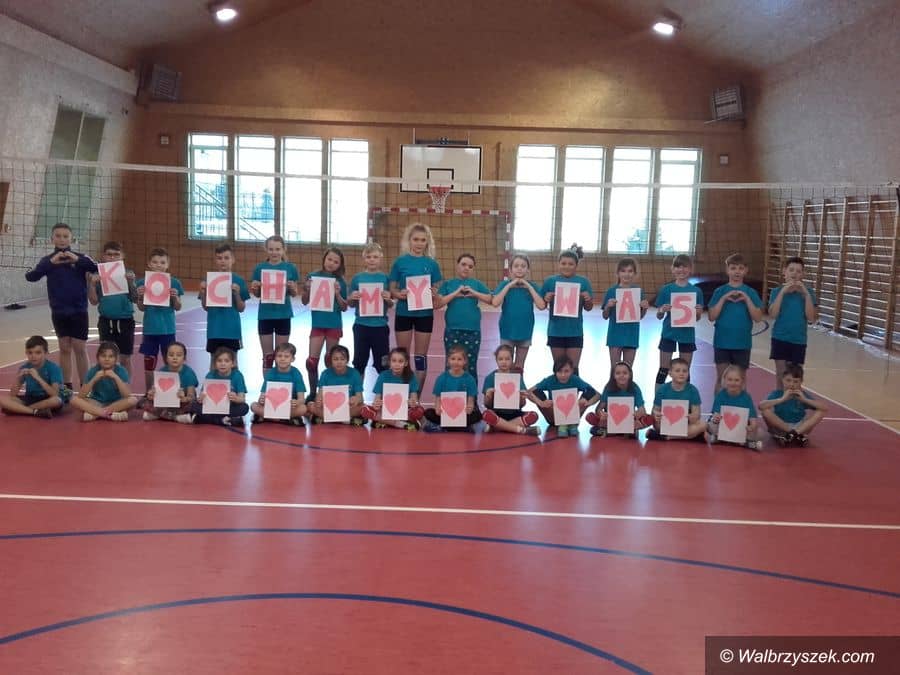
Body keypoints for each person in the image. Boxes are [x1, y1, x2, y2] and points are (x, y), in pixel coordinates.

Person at [24, 222, 98, 390]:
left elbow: (97, 268)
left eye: (65, 236)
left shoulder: (81, 258)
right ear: (52, 239)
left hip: (79, 310)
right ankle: (66, 387)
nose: (62, 239)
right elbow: (32, 277)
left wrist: (77, 260)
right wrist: (51, 262)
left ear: (72, 239)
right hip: (59, 311)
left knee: (80, 348)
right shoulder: (48, 261)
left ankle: (86, 386)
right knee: (64, 348)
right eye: (58, 236)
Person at [389, 223, 442, 395]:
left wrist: (434, 291)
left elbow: (437, 286)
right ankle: (402, 396)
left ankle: (415, 398)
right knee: (402, 356)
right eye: (416, 239)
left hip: (424, 314)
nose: (419, 243)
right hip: (404, 313)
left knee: (420, 357)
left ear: (427, 242)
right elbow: (392, 288)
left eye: (423, 240)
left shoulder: (432, 264)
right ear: (409, 240)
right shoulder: (400, 262)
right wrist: (399, 294)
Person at [708, 253, 764, 394]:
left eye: (740, 268)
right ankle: (717, 408)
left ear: (746, 270)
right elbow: (711, 316)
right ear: (727, 270)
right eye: (733, 268)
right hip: (722, 342)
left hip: (742, 343)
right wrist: (724, 298)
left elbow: (758, 318)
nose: (737, 272)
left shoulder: (750, 292)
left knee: (740, 380)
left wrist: (746, 299)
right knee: (722, 379)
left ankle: (740, 408)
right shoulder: (720, 291)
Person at [435, 253, 492, 379]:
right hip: (452, 330)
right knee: (451, 364)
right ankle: (450, 390)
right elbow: (438, 304)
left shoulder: (476, 284)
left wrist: (474, 293)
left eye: (470, 266)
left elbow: (490, 299)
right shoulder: (448, 284)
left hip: (473, 331)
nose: (466, 268)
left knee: (470, 364)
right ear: (457, 265)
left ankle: (470, 391)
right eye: (463, 264)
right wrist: (455, 293)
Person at [135, 248, 184, 392]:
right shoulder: (142, 283)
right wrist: (140, 296)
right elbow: (142, 308)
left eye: (162, 262)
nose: (159, 265)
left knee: (171, 363)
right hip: (150, 330)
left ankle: (171, 393)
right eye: (155, 262)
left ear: (167, 264)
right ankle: (148, 393)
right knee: (149, 365)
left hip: (168, 330)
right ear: (149, 264)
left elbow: (178, 307)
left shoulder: (174, 283)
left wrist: (175, 297)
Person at [301, 247, 348, 398]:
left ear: (340, 265)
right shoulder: (313, 277)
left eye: (336, 262)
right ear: (324, 259)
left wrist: (337, 294)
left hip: (334, 325)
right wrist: (308, 289)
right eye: (329, 259)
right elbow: (304, 301)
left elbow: (344, 307)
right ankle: (313, 393)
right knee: (311, 362)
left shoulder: (340, 281)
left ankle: (329, 393)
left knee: (331, 361)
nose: (331, 263)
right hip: (318, 324)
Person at [249, 235, 300, 375]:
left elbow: (294, 293)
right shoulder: (259, 268)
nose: (274, 252)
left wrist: (292, 287)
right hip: (265, 315)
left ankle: (280, 384)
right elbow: (257, 294)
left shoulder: (290, 268)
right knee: (268, 357)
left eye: (278, 249)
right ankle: (267, 385)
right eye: (271, 249)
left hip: (283, 315)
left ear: (283, 250)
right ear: (266, 250)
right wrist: (255, 288)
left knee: (281, 355)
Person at [87, 241, 137, 379]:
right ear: (103, 256)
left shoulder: (128, 274)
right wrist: (92, 284)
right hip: (106, 321)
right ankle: (106, 385)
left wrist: (131, 282)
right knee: (106, 358)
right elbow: (93, 301)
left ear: (122, 256)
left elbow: (134, 298)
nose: (113, 257)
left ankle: (125, 386)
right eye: (109, 254)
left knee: (125, 358)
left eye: (116, 254)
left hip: (125, 321)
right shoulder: (97, 276)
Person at [654, 254, 704, 391]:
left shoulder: (696, 291)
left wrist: (698, 313)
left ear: (690, 269)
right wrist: (661, 310)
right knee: (663, 369)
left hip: (687, 335)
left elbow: (696, 318)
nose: (681, 270)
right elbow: (659, 316)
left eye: (685, 267)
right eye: (677, 267)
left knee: (685, 371)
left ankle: (685, 399)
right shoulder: (666, 289)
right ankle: (657, 399)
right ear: (672, 269)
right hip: (669, 333)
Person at [541, 246, 593, 373]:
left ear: (576, 265)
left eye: (571, 264)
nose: (567, 266)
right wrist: (546, 299)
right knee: (559, 368)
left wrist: (587, 299)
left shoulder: (583, 282)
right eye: (563, 263)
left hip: (575, 332)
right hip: (555, 331)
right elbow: (541, 305)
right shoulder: (550, 281)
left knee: (573, 369)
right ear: (558, 264)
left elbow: (588, 308)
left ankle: (574, 386)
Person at [198, 243, 250, 371]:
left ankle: (235, 384)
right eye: (219, 258)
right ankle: (213, 384)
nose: (223, 261)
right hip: (214, 330)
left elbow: (241, 308)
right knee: (214, 364)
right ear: (215, 260)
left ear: (233, 260)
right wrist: (203, 293)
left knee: (233, 364)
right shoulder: (208, 279)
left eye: (226, 258)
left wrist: (237, 294)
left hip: (232, 331)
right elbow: (206, 307)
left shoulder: (238, 280)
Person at [491, 254, 546, 373]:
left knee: (519, 367)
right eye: (516, 266)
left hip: (525, 331)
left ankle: (519, 384)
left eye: (523, 266)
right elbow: (495, 302)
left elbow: (541, 306)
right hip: (507, 331)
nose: (519, 268)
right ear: (510, 270)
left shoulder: (533, 286)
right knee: (506, 366)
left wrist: (528, 286)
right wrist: (510, 285)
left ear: (528, 270)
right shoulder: (504, 285)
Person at [768, 257, 817, 388]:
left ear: (803, 274)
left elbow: (811, 318)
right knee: (781, 374)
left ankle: (794, 400)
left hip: (798, 340)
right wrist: (783, 292)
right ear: (784, 271)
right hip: (780, 338)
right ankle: (780, 398)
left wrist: (806, 294)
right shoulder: (776, 291)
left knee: (796, 376)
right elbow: (773, 314)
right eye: (791, 270)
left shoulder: (809, 293)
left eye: (798, 271)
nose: (794, 273)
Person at [526, 355, 600, 438]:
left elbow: (597, 394)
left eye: (566, 371)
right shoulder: (550, 380)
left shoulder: (575, 379)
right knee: (537, 393)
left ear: (572, 371)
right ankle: (564, 424)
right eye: (559, 371)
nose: (563, 375)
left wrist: (587, 403)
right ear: (555, 372)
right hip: (553, 417)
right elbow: (528, 392)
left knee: (589, 392)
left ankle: (572, 424)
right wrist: (541, 403)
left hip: (572, 416)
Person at [348, 242, 393, 377]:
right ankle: (358, 390)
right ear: (364, 259)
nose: (372, 260)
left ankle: (383, 389)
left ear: (381, 258)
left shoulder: (386, 279)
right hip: (361, 326)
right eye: (368, 257)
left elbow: (391, 304)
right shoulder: (357, 278)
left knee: (383, 364)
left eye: (375, 257)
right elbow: (350, 304)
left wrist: (388, 299)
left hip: (380, 327)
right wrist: (353, 297)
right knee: (359, 363)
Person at [758, 363, 827, 447]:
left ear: (801, 382)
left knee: (820, 411)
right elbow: (761, 406)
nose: (791, 384)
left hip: (800, 427)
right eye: (788, 380)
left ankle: (794, 434)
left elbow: (824, 408)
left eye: (795, 381)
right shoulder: (777, 393)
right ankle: (792, 434)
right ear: (782, 380)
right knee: (765, 411)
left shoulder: (802, 395)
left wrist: (804, 400)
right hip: (781, 426)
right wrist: (782, 399)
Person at [68, 342, 136, 422]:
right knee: (74, 400)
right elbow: (81, 396)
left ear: (115, 359)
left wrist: (116, 377)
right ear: (98, 358)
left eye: (111, 356)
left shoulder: (121, 371)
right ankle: (109, 414)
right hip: (97, 403)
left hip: (116, 403)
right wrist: (94, 379)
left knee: (133, 400)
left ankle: (95, 414)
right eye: (103, 356)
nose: (107, 359)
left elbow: (127, 395)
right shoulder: (93, 371)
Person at [601, 257, 649, 370]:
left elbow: (640, 316)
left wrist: (645, 308)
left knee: (628, 370)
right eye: (623, 271)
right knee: (615, 369)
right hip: (615, 336)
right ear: (618, 273)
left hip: (632, 335)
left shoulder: (638, 291)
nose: (626, 274)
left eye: (630, 271)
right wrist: (608, 306)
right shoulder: (611, 291)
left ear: (635, 273)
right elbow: (605, 316)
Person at [361, 347, 425, 430]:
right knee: (365, 410)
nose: (396, 364)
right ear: (389, 362)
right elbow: (377, 398)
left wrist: (413, 403)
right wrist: (376, 404)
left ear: (406, 363)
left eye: (400, 361)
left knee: (419, 411)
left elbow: (415, 399)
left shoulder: (411, 376)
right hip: (385, 410)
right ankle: (401, 424)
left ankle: (385, 421)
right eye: (394, 361)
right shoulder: (383, 375)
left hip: (404, 410)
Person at [0, 335, 64, 418]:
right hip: (30, 398)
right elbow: (13, 394)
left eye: (38, 353)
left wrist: (38, 378)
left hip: (47, 399)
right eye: (30, 353)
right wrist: (18, 378)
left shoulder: (53, 368)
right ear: (26, 353)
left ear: (46, 353)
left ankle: (20, 410)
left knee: (57, 401)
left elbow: (55, 394)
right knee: (2, 399)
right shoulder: (24, 367)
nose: (33, 356)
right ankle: (34, 412)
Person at [481, 345, 540, 435]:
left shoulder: (517, 378)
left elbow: (522, 404)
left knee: (534, 415)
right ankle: (521, 430)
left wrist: (522, 398)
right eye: (500, 359)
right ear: (496, 360)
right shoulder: (490, 378)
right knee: (486, 414)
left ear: (512, 360)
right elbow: (486, 404)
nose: (504, 362)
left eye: (507, 359)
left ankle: (498, 427)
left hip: (514, 413)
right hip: (497, 413)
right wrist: (489, 396)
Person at [422, 344, 482, 432]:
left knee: (477, 415)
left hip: (462, 413)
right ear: (448, 360)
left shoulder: (470, 379)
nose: (456, 362)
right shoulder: (442, 378)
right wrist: (438, 408)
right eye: (453, 359)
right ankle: (460, 427)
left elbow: (471, 400)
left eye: (459, 359)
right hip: (445, 413)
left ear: (465, 361)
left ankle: (446, 427)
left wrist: (469, 408)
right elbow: (438, 398)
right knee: (428, 413)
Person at [585, 361, 653, 438]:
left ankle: (608, 432)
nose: (621, 376)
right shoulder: (608, 388)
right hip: (610, 421)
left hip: (629, 421)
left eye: (625, 373)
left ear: (630, 375)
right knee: (589, 416)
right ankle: (625, 432)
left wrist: (638, 414)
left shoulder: (635, 388)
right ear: (613, 376)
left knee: (650, 419)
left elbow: (642, 410)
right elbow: (598, 409)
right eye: (618, 373)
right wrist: (601, 414)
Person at [648, 357, 706, 441]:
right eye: (677, 371)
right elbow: (655, 410)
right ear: (670, 373)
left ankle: (667, 437)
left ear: (688, 373)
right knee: (655, 423)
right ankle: (690, 436)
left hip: (686, 423)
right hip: (666, 423)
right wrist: (656, 414)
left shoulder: (693, 390)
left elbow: (697, 414)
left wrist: (692, 417)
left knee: (703, 425)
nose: (681, 373)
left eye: (685, 371)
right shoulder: (662, 389)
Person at [707, 365, 763, 451]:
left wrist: (752, 426)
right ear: (724, 380)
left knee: (760, 433)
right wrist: (716, 418)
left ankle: (722, 439)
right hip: (724, 427)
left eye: (736, 380)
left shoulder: (746, 397)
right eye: (730, 379)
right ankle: (745, 443)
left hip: (741, 429)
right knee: (710, 426)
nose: (733, 383)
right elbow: (716, 414)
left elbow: (752, 418)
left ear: (742, 381)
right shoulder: (720, 395)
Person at [251, 342, 308, 426]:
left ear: (292, 359)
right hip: (272, 406)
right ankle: (285, 419)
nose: (282, 359)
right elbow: (262, 396)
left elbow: (302, 399)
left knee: (303, 408)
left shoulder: (296, 373)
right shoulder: (271, 373)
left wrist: (296, 402)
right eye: (279, 356)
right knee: (253, 405)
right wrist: (262, 400)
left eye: (286, 356)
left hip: (289, 407)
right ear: (275, 358)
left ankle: (269, 417)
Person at [306, 344, 364, 424]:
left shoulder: (355, 373)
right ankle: (345, 419)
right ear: (331, 361)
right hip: (329, 408)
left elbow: (360, 398)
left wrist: (355, 399)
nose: (339, 362)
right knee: (310, 405)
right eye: (335, 359)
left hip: (348, 407)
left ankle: (326, 418)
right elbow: (319, 395)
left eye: (342, 359)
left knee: (362, 407)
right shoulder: (325, 374)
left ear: (347, 360)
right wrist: (319, 401)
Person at [142, 341, 198, 424]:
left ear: (184, 358)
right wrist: (151, 395)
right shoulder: (162, 372)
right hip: (165, 403)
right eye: (171, 355)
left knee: (194, 406)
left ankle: (159, 415)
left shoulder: (189, 373)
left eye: (178, 355)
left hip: (181, 404)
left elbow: (192, 396)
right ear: (166, 358)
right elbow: (154, 392)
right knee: (143, 402)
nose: (175, 358)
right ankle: (176, 417)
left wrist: (184, 398)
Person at [193, 346, 249, 426]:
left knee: (244, 407)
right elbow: (202, 396)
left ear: (232, 363)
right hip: (213, 407)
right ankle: (224, 420)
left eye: (226, 361)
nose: (223, 364)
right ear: (215, 364)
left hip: (230, 407)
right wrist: (201, 399)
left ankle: (208, 419)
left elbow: (242, 399)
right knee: (194, 406)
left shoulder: (237, 376)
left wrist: (236, 398)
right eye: (219, 361)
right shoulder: (210, 375)